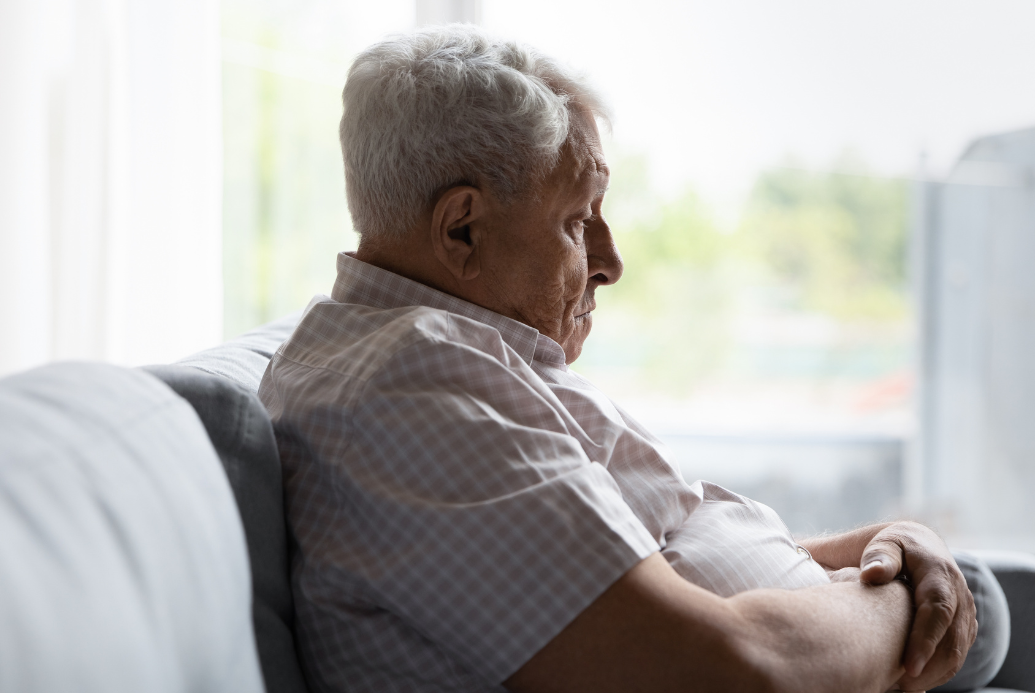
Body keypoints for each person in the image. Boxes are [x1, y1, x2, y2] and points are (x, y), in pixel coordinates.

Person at [259, 25, 993, 693]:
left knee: (979, 595)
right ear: (462, 230)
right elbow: (737, 672)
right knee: (982, 610)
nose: (610, 262)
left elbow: (635, 561)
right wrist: (897, 605)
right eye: (578, 221)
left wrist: (872, 548)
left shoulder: (452, 359)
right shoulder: (409, 394)